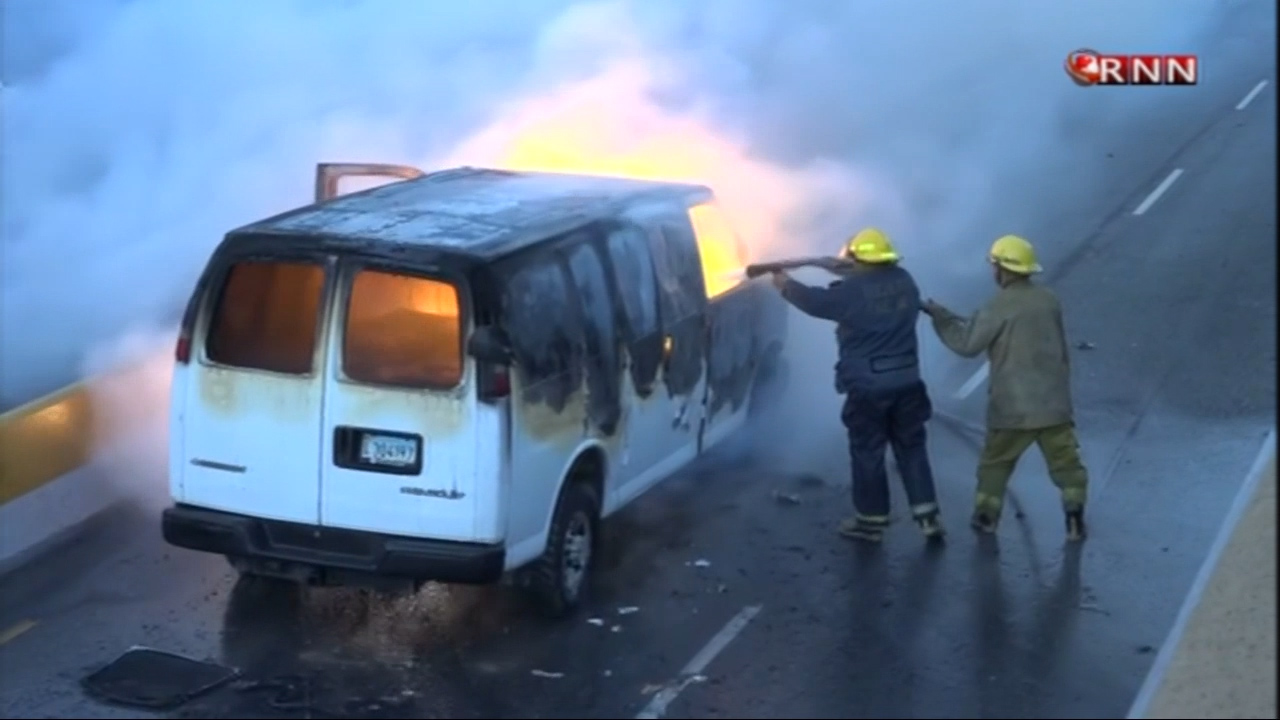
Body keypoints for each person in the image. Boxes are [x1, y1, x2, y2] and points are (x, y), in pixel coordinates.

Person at [769, 227, 944, 543]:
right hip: (908, 381)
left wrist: (785, 285)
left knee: (868, 451)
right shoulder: (904, 280)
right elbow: (867, 286)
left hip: (868, 387)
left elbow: (817, 302)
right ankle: (928, 516)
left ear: (858, 259)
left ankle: (871, 521)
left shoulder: (852, 292)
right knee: (912, 447)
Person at [922, 234, 1089, 542]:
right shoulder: (1049, 299)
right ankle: (1074, 518)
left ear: (1002, 269)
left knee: (995, 465)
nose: (993, 271)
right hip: (1054, 405)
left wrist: (940, 319)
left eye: (994, 265)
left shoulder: (997, 306)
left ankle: (986, 518)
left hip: (1012, 408)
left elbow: (967, 343)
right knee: (1067, 465)